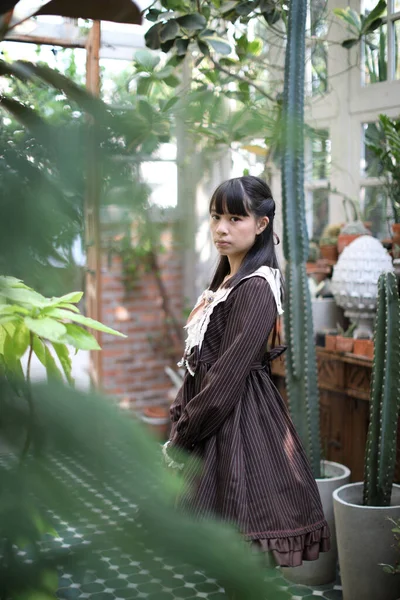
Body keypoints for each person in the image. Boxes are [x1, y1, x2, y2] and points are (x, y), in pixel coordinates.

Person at [163, 176, 330, 568]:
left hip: (239, 425)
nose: (221, 228)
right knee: (229, 558)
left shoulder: (257, 286)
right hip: (211, 423)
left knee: (244, 550)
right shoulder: (226, 281)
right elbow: (199, 365)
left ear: (261, 224)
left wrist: (183, 435)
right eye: (216, 216)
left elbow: (225, 380)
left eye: (236, 218)